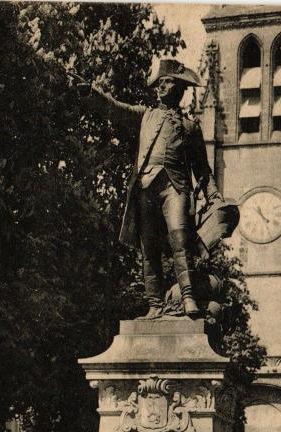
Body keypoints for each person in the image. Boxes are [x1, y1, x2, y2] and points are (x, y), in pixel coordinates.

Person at [75, 59, 222, 319]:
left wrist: (214, 196)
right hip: (145, 186)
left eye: (165, 83)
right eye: (159, 84)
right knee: (149, 248)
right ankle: (155, 304)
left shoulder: (190, 127)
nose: (159, 88)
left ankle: (188, 298)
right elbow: (115, 109)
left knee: (180, 240)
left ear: (178, 88)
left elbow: (203, 169)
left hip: (175, 187)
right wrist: (91, 93)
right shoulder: (146, 115)